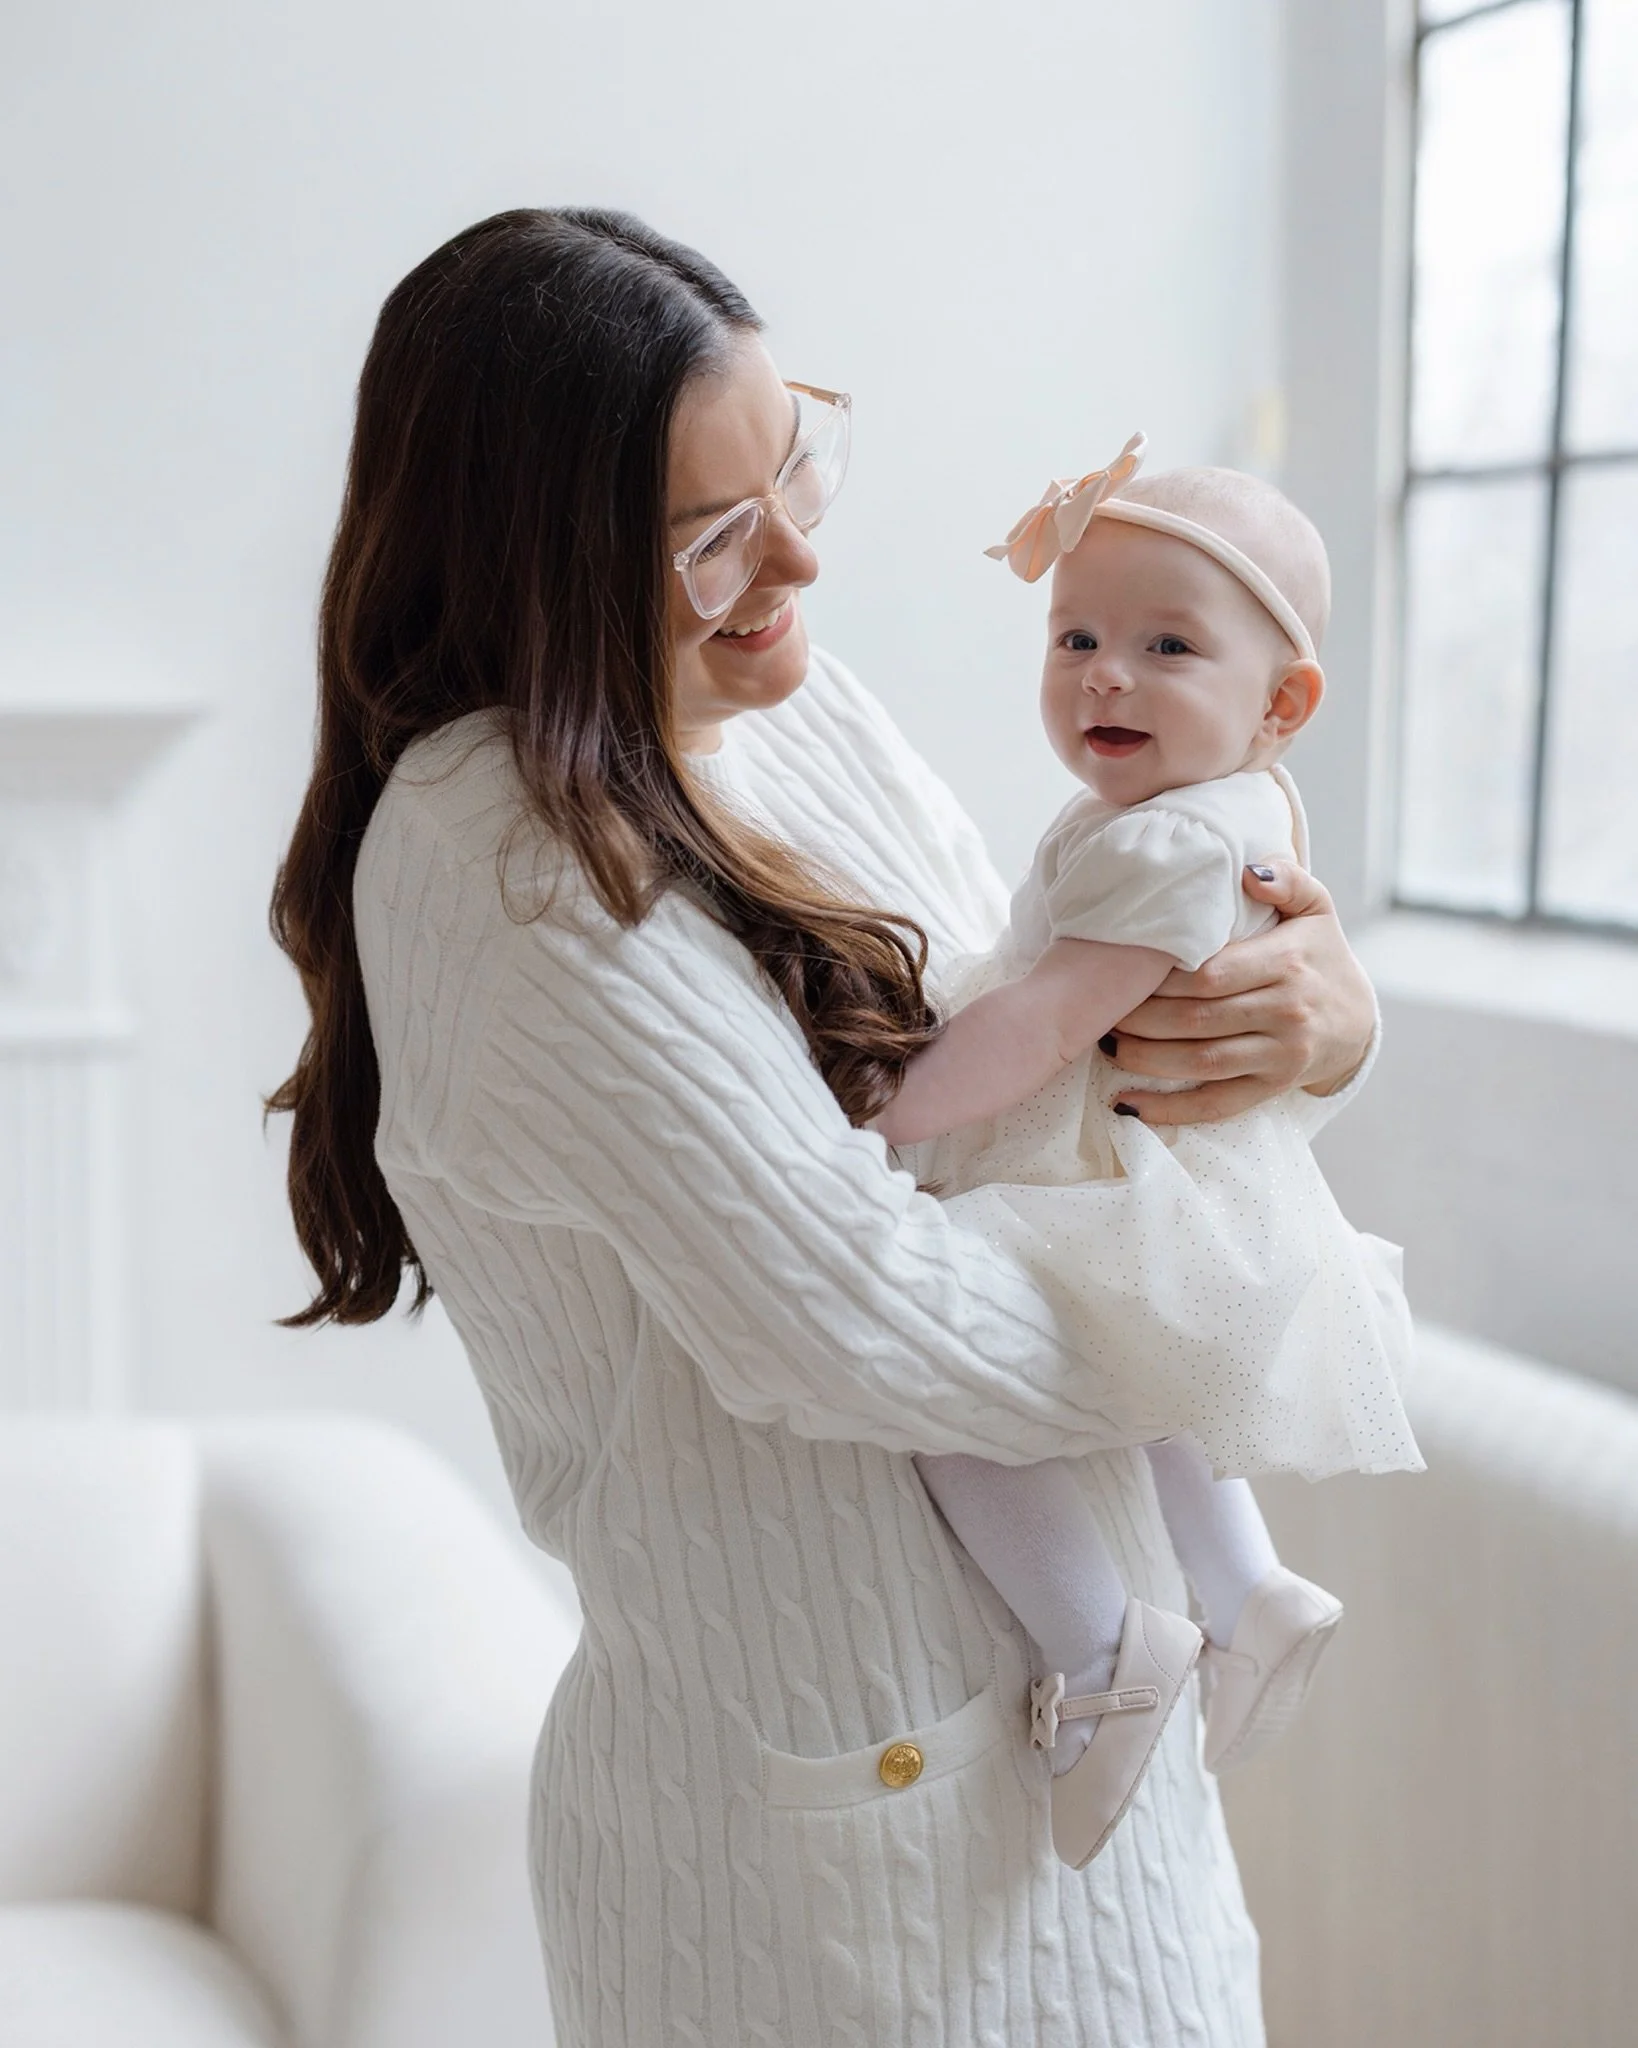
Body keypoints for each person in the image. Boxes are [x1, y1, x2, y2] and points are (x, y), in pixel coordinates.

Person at [269, 207, 1381, 2047]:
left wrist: (1308, 1026)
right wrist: (1253, 1295)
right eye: (711, 532)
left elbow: (1043, 1040)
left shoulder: (776, 702)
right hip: (834, 1878)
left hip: (1084, 1804)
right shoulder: (503, 857)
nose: (795, 552)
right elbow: (872, 1324)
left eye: (795, 459)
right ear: (540, 562)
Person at [871, 437, 1421, 1871]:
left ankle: (1105, 1646)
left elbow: (1046, 1021)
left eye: (1164, 644)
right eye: (1076, 636)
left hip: (1101, 1170)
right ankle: (1244, 1587)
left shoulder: (1162, 845)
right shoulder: (1225, 810)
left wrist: (886, 1118)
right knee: (1151, 1365)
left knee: (940, 1378)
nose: (1103, 673)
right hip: (1162, 1184)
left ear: (1279, 703)